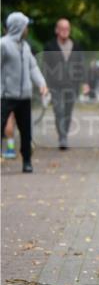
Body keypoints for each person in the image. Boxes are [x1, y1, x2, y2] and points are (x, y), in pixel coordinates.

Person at [1, 12, 48, 172]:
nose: (27, 29)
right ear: (18, 27)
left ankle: (27, 161)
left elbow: (33, 67)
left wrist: (42, 83)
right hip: (6, 95)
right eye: (26, 25)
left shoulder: (26, 46)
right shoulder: (3, 45)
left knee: (26, 131)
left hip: (24, 96)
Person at [42, 18, 89, 150]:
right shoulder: (50, 46)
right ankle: (62, 137)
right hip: (55, 85)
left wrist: (84, 82)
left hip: (72, 85)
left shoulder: (76, 46)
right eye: (62, 28)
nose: (64, 31)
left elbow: (81, 66)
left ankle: (65, 135)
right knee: (58, 111)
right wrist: (44, 84)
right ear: (56, 30)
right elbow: (44, 67)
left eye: (67, 28)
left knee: (68, 111)